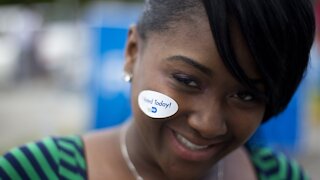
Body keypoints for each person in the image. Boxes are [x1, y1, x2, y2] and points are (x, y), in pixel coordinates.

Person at [0, 0, 315, 179]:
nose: (207, 124)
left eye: (246, 96)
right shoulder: (33, 172)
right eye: (187, 80)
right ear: (132, 53)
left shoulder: (281, 176)